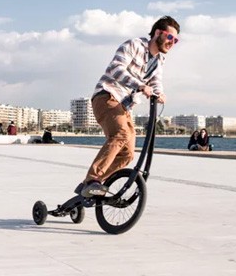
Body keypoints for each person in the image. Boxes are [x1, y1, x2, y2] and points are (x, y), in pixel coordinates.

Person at [75, 16, 180, 198]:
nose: (172, 42)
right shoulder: (134, 45)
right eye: (170, 37)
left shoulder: (159, 60)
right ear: (157, 33)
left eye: (176, 40)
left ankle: (89, 185)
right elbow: (116, 68)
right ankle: (93, 179)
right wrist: (139, 85)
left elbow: (156, 81)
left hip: (125, 106)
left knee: (128, 154)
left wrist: (159, 93)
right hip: (107, 95)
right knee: (122, 134)